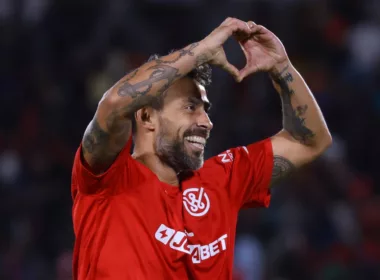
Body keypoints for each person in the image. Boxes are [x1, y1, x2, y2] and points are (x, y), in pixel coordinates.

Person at [71, 18, 332, 279]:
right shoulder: (107, 179)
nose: (206, 122)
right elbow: (114, 104)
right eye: (190, 107)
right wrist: (201, 50)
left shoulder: (222, 180)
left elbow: (309, 141)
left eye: (205, 109)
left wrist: (282, 67)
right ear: (147, 116)